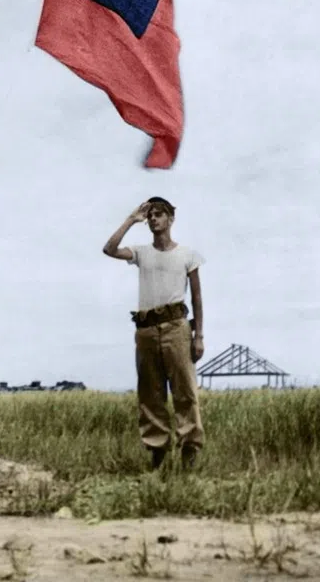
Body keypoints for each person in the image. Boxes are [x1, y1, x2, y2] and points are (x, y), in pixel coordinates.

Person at [103, 196, 205, 470]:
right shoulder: (141, 252)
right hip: (146, 329)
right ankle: (157, 454)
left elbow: (196, 297)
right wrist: (131, 219)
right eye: (150, 216)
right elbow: (109, 249)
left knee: (185, 392)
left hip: (176, 327)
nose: (153, 219)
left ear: (171, 218)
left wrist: (199, 336)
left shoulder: (187, 255)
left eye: (159, 214)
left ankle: (189, 455)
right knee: (150, 393)